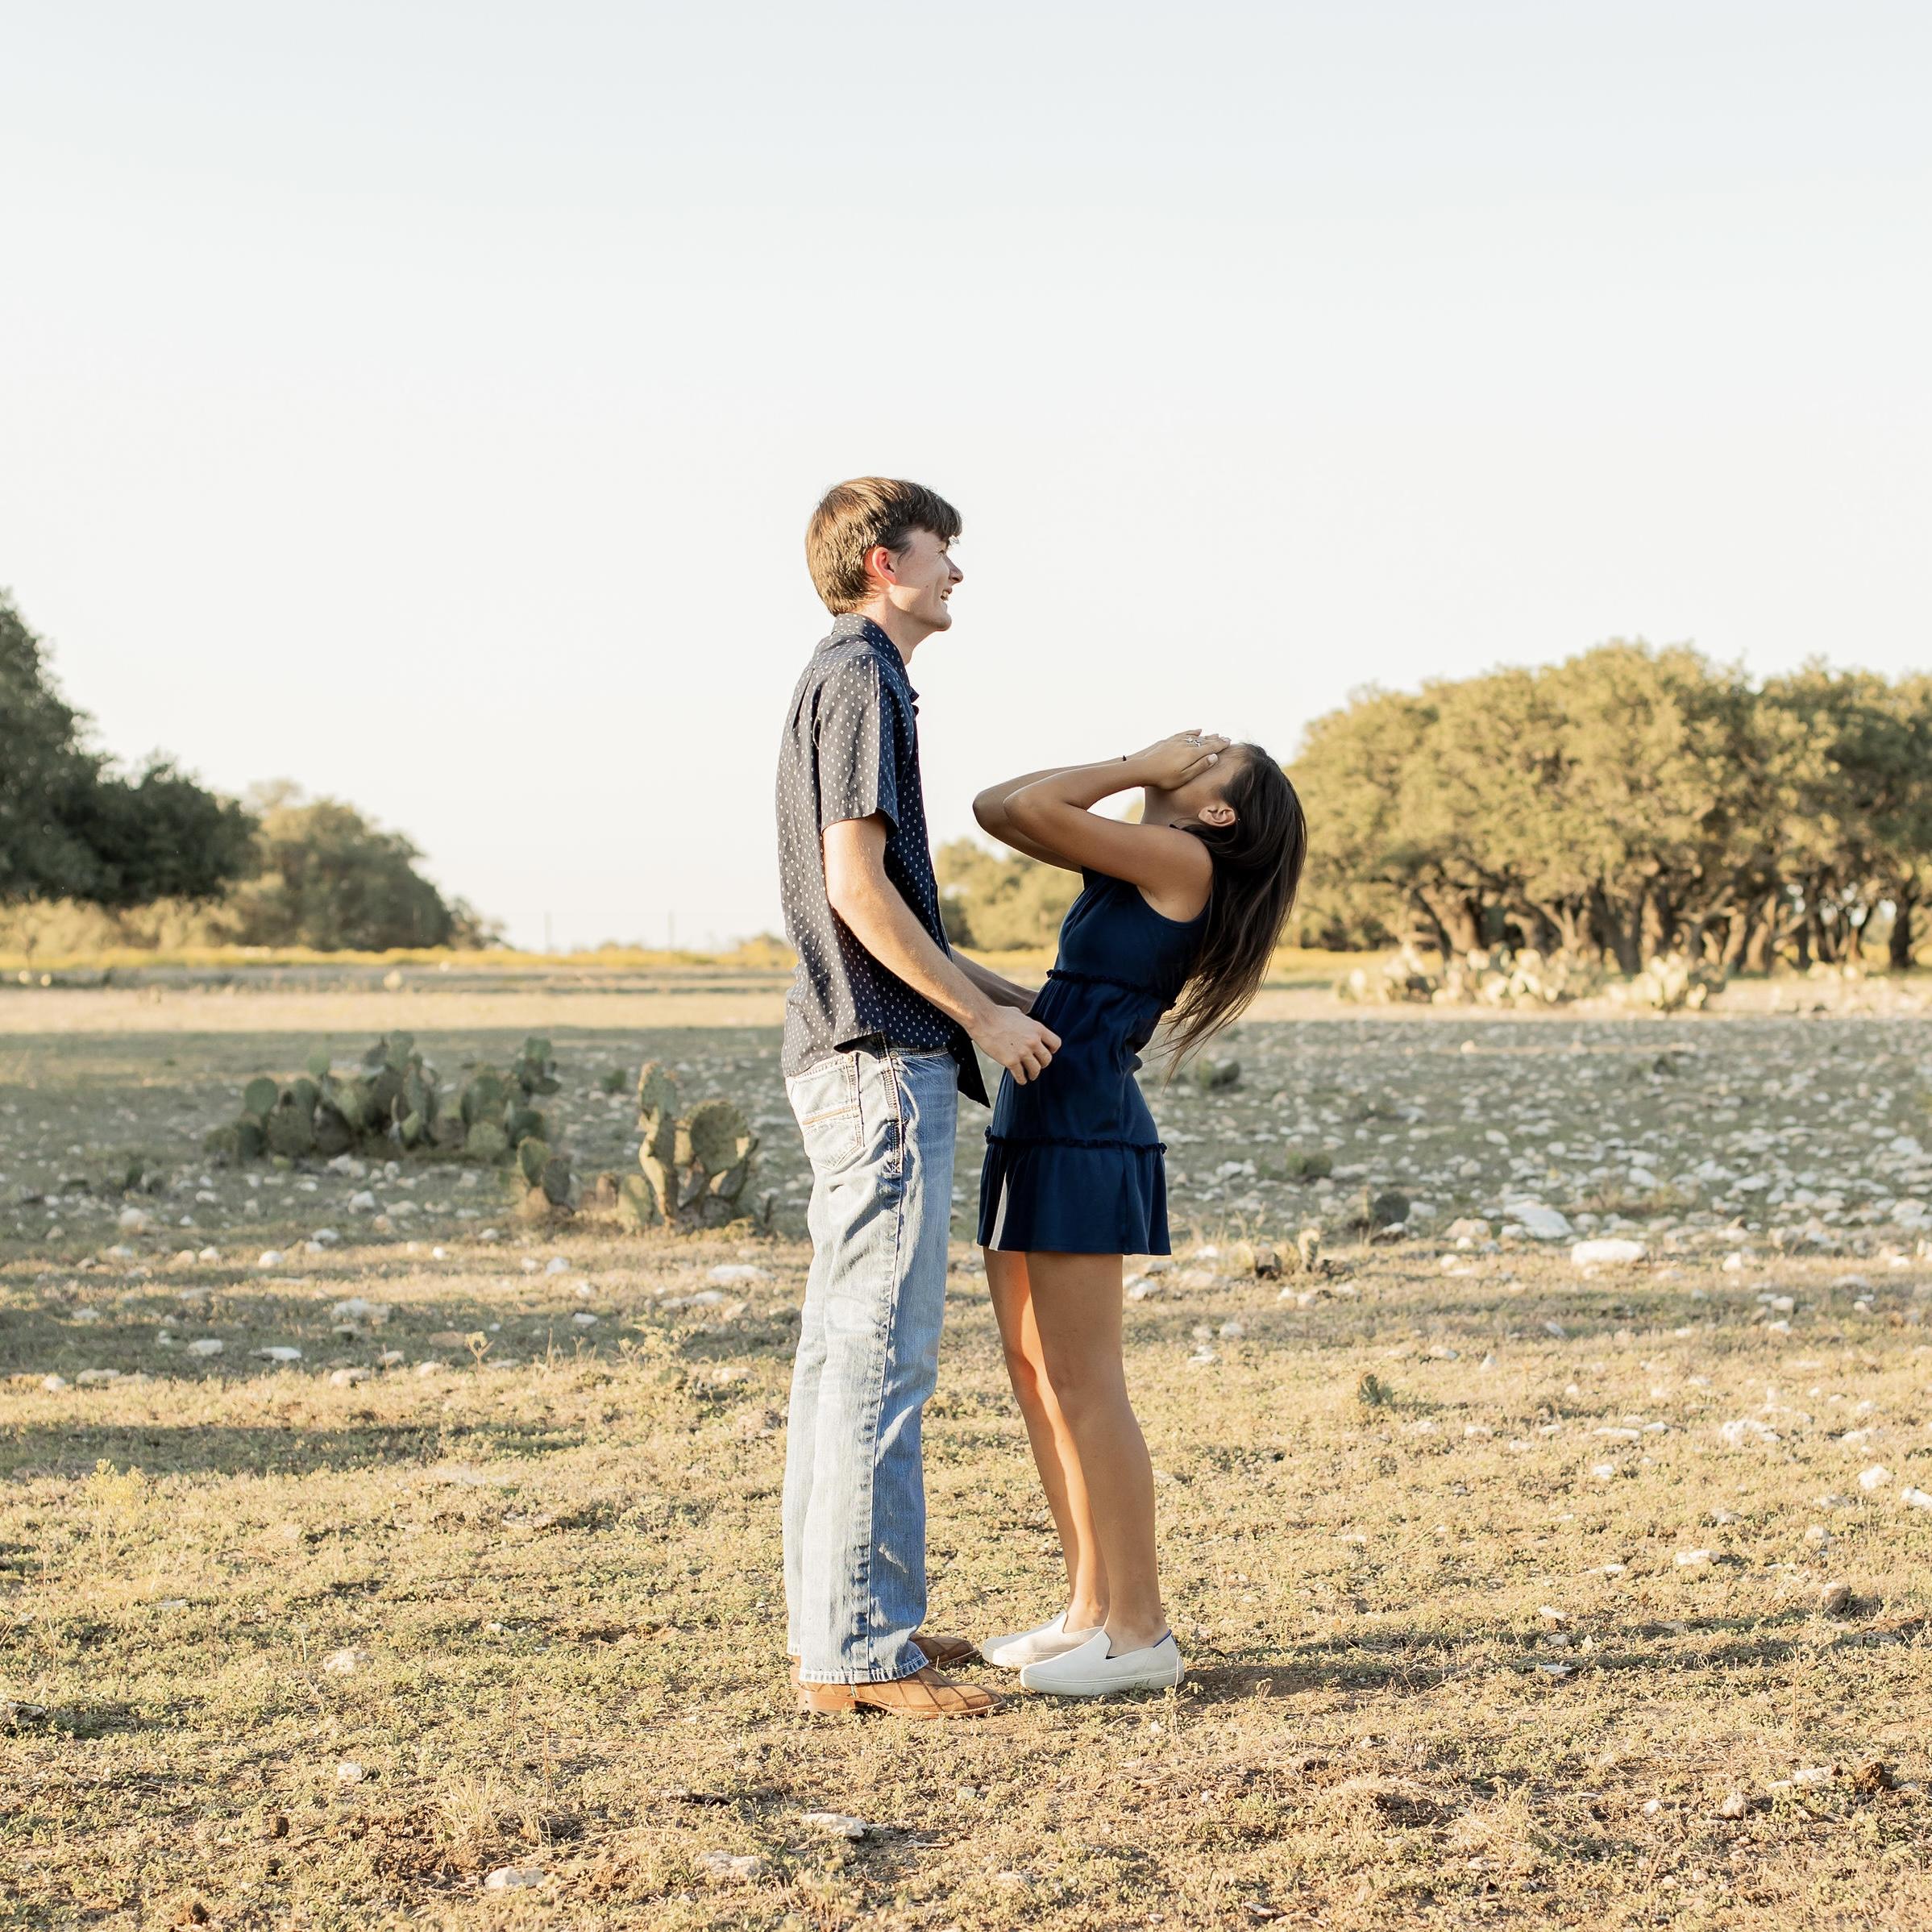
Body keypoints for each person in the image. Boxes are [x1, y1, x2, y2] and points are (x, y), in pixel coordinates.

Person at [775, 477, 1060, 1719]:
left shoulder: (852, 676)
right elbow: (857, 886)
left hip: (862, 1053)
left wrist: (1009, 994)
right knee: (876, 1360)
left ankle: (856, 1620)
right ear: (889, 561)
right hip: (876, 1062)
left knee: (847, 1357)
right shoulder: (860, 679)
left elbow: (897, 908)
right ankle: (856, 1653)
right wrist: (984, 1019)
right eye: (948, 552)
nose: (960, 573)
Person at [970, 735, 1307, 1696]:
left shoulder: (1184, 858)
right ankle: (1087, 1610)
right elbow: (996, 807)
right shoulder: (1146, 855)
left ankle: (1140, 1632)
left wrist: (1134, 761)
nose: (1187, 755)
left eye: (1207, 762)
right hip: (1038, 1112)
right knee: (1037, 1377)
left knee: (1085, 1381)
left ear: (1218, 814)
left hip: (1085, 1132)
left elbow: (1029, 812)